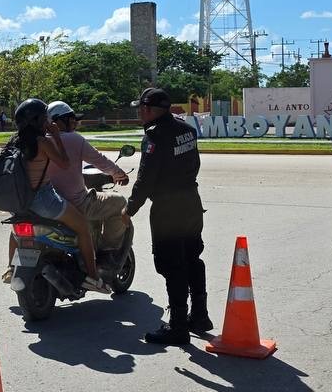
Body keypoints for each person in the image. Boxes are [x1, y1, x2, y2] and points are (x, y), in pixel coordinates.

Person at [121, 87, 208, 346]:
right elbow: (195, 164)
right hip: (191, 202)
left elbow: (145, 179)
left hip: (168, 208)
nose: (140, 112)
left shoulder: (154, 136)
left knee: (172, 266)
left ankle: (178, 327)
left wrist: (130, 209)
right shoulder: (187, 130)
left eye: (141, 108)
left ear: (148, 109)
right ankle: (200, 317)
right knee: (193, 258)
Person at [11, 98, 110, 294]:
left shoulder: (15, 142)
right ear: (39, 120)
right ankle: (93, 277)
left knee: (17, 228)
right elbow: (64, 163)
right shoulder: (42, 142)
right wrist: (56, 136)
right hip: (44, 199)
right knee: (82, 226)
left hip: (21, 200)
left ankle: (9, 268)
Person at [45, 100, 130, 262]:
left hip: (47, 203)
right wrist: (119, 174)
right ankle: (108, 252)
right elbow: (101, 161)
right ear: (58, 121)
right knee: (119, 202)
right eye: (71, 119)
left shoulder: (40, 142)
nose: (74, 123)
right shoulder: (74, 139)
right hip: (77, 204)